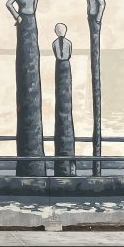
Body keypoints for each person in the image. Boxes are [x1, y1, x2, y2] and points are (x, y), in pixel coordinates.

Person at [5, 0, 45, 177]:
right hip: (24, 20)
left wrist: (28, 16)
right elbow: (8, 3)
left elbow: (35, 4)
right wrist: (17, 16)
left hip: (32, 20)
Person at [82, 0, 106, 175]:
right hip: (90, 18)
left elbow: (102, 4)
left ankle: (97, 167)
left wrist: (97, 18)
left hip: (94, 20)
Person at [52, 23, 76, 177]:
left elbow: (60, 54)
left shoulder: (57, 43)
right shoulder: (67, 43)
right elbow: (67, 54)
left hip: (62, 65)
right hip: (63, 65)